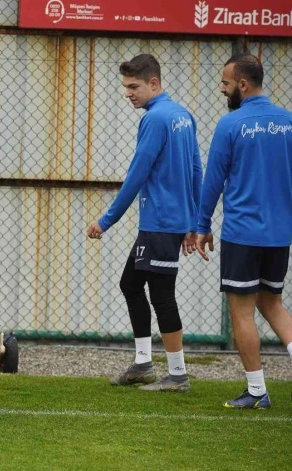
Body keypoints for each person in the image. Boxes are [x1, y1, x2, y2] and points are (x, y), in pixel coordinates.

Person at [86, 54, 202, 392]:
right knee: (130, 284)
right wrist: (195, 221)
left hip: (160, 223)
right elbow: (196, 169)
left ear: (154, 83)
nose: (128, 93)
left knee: (162, 297)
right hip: (168, 222)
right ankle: (142, 364)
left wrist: (105, 221)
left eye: (133, 86)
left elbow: (137, 175)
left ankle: (177, 375)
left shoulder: (154, 118)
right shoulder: (183, 115)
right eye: (125, 86)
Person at [196, 53, 292, 409]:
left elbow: (213, 180)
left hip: (242, 235)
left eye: (225, 83)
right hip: (280, 235)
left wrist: (202, 225)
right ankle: (256, 391)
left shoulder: (230, 124)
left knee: (242, 312)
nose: (222, 89)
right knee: (273, 304)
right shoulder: (288, 122)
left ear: (243, 84)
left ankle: (256, 391)